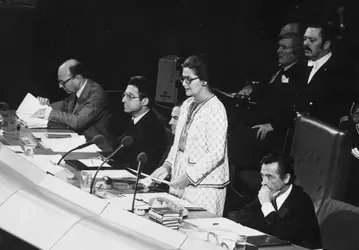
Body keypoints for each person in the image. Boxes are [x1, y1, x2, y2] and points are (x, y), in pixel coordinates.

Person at [151, 55, 230, 216]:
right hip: (182, 182)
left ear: (204, 81)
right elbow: (178, 143)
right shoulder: (187, 105)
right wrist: (167, 166)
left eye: (188, 79)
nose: (184, 83)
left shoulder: (216, 109)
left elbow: (216, 153)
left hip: (206, 188)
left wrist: (188, 176)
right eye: (182, 79)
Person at [229, 32, 307, 174]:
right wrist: (250, 89)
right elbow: (265, 87)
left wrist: (273, 125)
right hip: (259, 119)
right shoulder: (277, 70)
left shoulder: (300, 75)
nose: (279, 51)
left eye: (284, 47)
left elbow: (294, 108)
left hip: (276, 131)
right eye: (279, 47)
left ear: (296, 52)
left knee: (236, 134)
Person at [231, 153, 322, 249]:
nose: (263, 182)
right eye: (263, 176)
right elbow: (239, 217)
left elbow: (283, 236)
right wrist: (262, 202)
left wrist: (266, 204)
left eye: (270, 177)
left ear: (286, 178)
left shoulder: (301, 201)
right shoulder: (270, 193)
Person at [33, 59, 112, 151]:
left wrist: (49, 113)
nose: (60, 86)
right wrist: (47, 105)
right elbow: (65, 105)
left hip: (96, 148)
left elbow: (77, 122)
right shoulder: (76, 89)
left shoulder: (96, 94)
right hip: (78, 141)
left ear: (77, 79)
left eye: (62, 82)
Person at [297, 22, 356, 127]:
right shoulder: (301, 66)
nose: (305, 43)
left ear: (326, 45)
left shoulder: (339, 72)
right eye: (305, 39)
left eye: (312, 40)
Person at [115, 76, 167, 175]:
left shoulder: (154, 128)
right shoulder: (132, 120)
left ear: (144, 101)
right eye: (124, 95)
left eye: (129, 96)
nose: (123, 100)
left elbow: (141, 168)